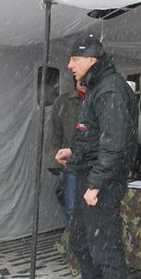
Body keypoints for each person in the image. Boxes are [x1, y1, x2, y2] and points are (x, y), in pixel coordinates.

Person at [55, 33, 138, 279]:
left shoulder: (110, 90)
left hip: (102, 182)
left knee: (106, 248)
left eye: (74, 59)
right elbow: (94, 136)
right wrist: (74, 153)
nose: (69, 65)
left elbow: (114, 144)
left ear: (91, 60)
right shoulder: (96, 87)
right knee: (80, 241)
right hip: (87, 175)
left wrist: (98, 183)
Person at [45, 75, 87, 224]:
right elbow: (54, 133)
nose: (84, 82)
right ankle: (74, 241)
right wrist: (55, 160)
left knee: (92, 207)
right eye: (81, 79)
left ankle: (87, 243)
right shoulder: (64, 101)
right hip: (70, 165)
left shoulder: (98, 100)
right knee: (71, 207)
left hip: (93, 164)